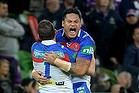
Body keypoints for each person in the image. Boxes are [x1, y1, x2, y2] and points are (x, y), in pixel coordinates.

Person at [32, 8, 96, 93]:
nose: (73, 24)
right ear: (63, 23)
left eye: (76, 22)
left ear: (80, 24)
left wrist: (56, 61)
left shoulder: (86, 41)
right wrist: (34, 73)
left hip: (79, 80)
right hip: (59, 80)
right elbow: (42, 58)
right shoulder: (55, 36)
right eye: (69, 21)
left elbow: (82, 70)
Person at [31, 20, 76, 93]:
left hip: (43, 90)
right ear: (55, 32)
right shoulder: (64, 51)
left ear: (38, 36)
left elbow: (37, 66)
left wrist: (33, 73)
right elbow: (76, 68)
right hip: (63, 89)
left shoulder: (34, 47)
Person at [0, 0, 25, 85]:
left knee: (17, 80)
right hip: (1, 54)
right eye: (3, 8)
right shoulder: (11, 24)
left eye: (6, 8)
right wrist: (11, 30)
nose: (6, 10)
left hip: (12, 55)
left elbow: (21, 31)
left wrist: (4, 31)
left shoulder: (12, 21)